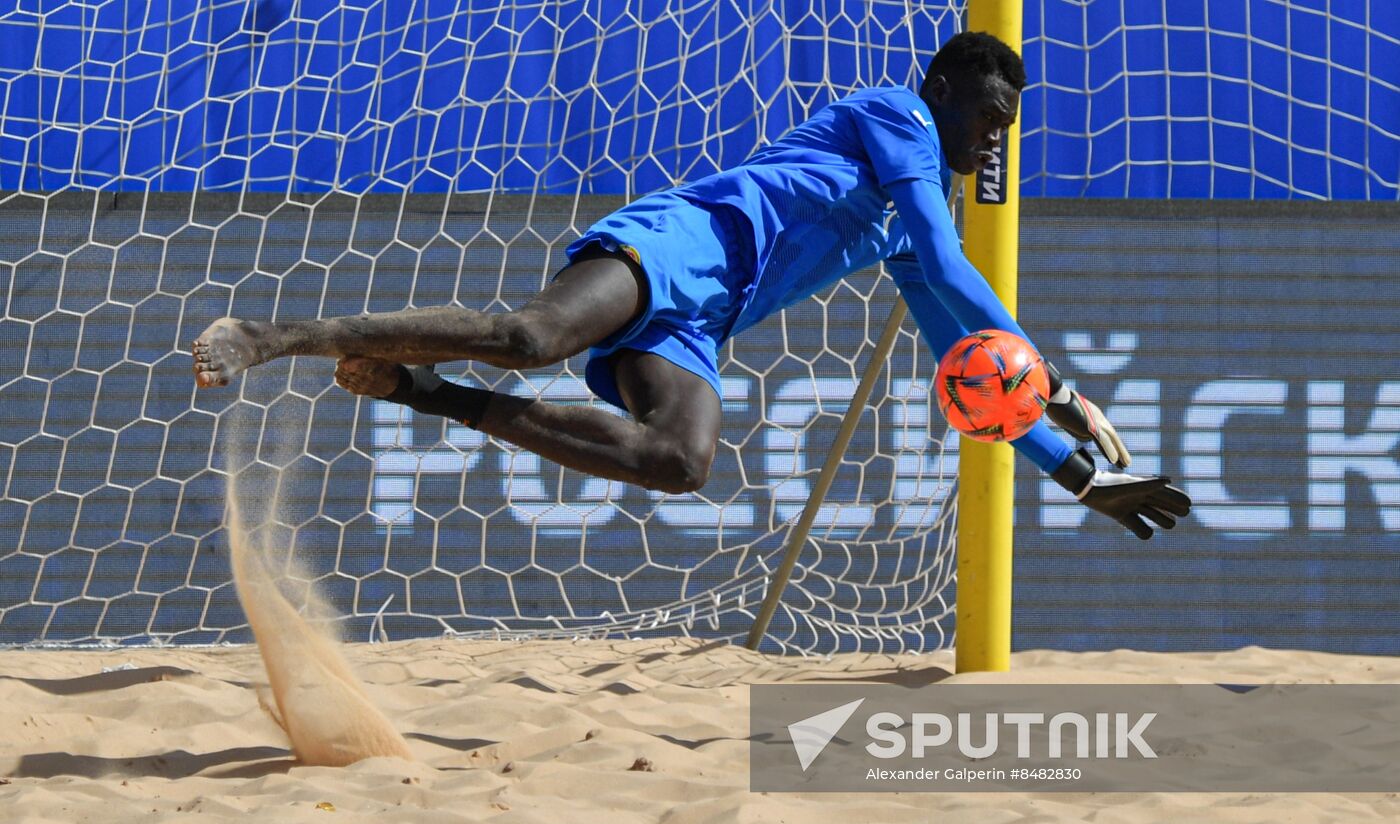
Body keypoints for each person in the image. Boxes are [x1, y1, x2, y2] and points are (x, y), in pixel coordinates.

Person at [192, 32, 1190, 540]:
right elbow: (949, 265)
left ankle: (424, 392)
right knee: (533, 335)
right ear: (942, 91)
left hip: (702, 323)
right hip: (674, 246)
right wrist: (1056, 378)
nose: (991, 136)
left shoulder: (904, 217)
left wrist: (1078, 475)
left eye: (1004, 128)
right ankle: (273, 332)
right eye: (986, 110)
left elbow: (971, 368)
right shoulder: (897, 117)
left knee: (678, 462)